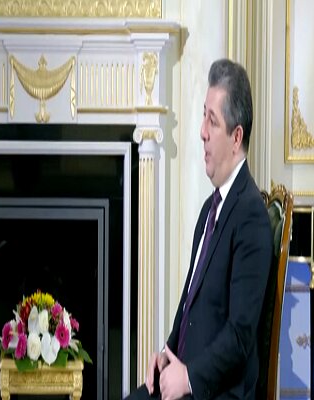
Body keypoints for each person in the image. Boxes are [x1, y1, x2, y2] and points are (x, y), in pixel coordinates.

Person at [127, 59, 272, 399]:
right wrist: (167, 352)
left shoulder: (251, 217)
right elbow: (189, 305)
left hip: (215, 391)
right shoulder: (211, 208)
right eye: (203, 116)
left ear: (236, 137)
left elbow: (240, 335)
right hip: (186, 376)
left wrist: (189, 377)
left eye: (213, 121)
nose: (202, 131)